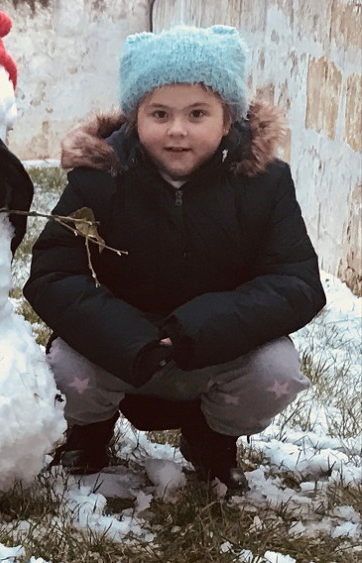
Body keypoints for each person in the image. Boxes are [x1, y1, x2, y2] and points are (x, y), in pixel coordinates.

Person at [24, 25, 326, 492]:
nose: (177, 130)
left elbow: (297, 282)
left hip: (218, 345)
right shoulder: (100, 178)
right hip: (123, 349)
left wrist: (205, 326)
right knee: (66, 364)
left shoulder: (263, 182)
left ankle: (212, 441)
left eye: (197, 113)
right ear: (134, 118)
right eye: (159, 113)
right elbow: (51, 273)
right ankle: (87, 432)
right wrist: (127, 336)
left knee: (275, 371)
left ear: (228, 119)